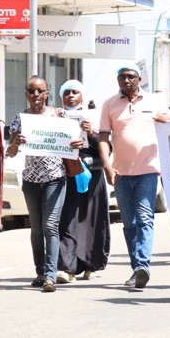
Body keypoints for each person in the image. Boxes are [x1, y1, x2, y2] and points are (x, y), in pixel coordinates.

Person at [99, 62, 170, 288]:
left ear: (139, 79)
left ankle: (142, 265)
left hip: (148, 171)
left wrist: (167, 119)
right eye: (122, 77)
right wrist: (107, 167)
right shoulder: (109, 104)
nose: (126, 80)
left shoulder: (154, 101)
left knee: (144, 218)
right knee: (129, 223)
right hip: (121, 172)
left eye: (131, 76)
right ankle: (137, 269)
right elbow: (103, 137)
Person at [7, 76, 82, 292]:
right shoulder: (20, 119)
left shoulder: (59, 115)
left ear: (47, 93)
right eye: (31, 91)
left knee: (50, 226)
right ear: (26, 94)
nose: (36, 95)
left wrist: (78, 142)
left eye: (40, 91)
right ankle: (40, 271)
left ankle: (50, 275)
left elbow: (77, 141)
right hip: (31, 180)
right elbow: (10, 153)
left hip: (55, 178)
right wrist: (15, 142)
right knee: (37, 228)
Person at [56, 80, 110, 282]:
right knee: (67, 219)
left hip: (92, 176)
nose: (70, 96)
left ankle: (90, 264)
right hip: (67, 175)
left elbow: (106, 147)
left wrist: (90, 133)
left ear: (82, 97)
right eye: (67, 92)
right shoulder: (55, 117)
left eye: (75, 92)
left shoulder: (94, 118)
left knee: (91, 220)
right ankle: (67, 267)